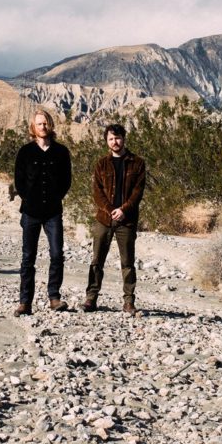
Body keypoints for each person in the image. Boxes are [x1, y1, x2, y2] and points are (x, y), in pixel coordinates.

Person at [13, 109, 72, 316]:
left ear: (51, 125)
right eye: (39, 124)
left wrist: (56, 197)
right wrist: (28, 198)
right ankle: (25, 302)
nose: (43, 127)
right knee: (28, 257)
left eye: (45, 123)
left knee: (57, 254)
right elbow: (18, 181)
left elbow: (67, 180)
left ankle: (54, 297)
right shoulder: (25, 152)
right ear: (33, 127)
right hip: (30, 212)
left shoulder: (61, 152)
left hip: (53, 212)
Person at [84, 123, 146, 315]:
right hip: (104, 219)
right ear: (106, 141)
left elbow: (138, 191)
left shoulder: (137, 163)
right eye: (111, 139)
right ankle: (91, 298)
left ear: (124, 138)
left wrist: (124, 209)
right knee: (97, 260)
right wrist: (111, 209)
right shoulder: (101, 164)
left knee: (127, 262)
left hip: (126, 220)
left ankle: (129, 301)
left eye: (117, 138)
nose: (114, 142)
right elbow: (97, 192)